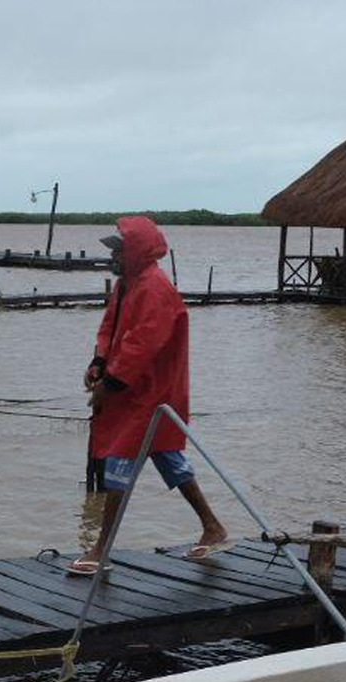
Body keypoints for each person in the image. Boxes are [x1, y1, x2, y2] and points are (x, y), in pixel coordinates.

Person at [69, 216, 228, 576]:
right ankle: (212, 526)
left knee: (119, 465)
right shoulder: (128, 283)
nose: (114, 256)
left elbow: (143, 345)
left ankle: (101, 547)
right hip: (135, 390)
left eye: (119, 249)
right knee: (168, 457)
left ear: (136, 251)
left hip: (150, 392)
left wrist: (109, 386)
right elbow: (111, 328)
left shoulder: (154, 287)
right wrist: (98, 363)